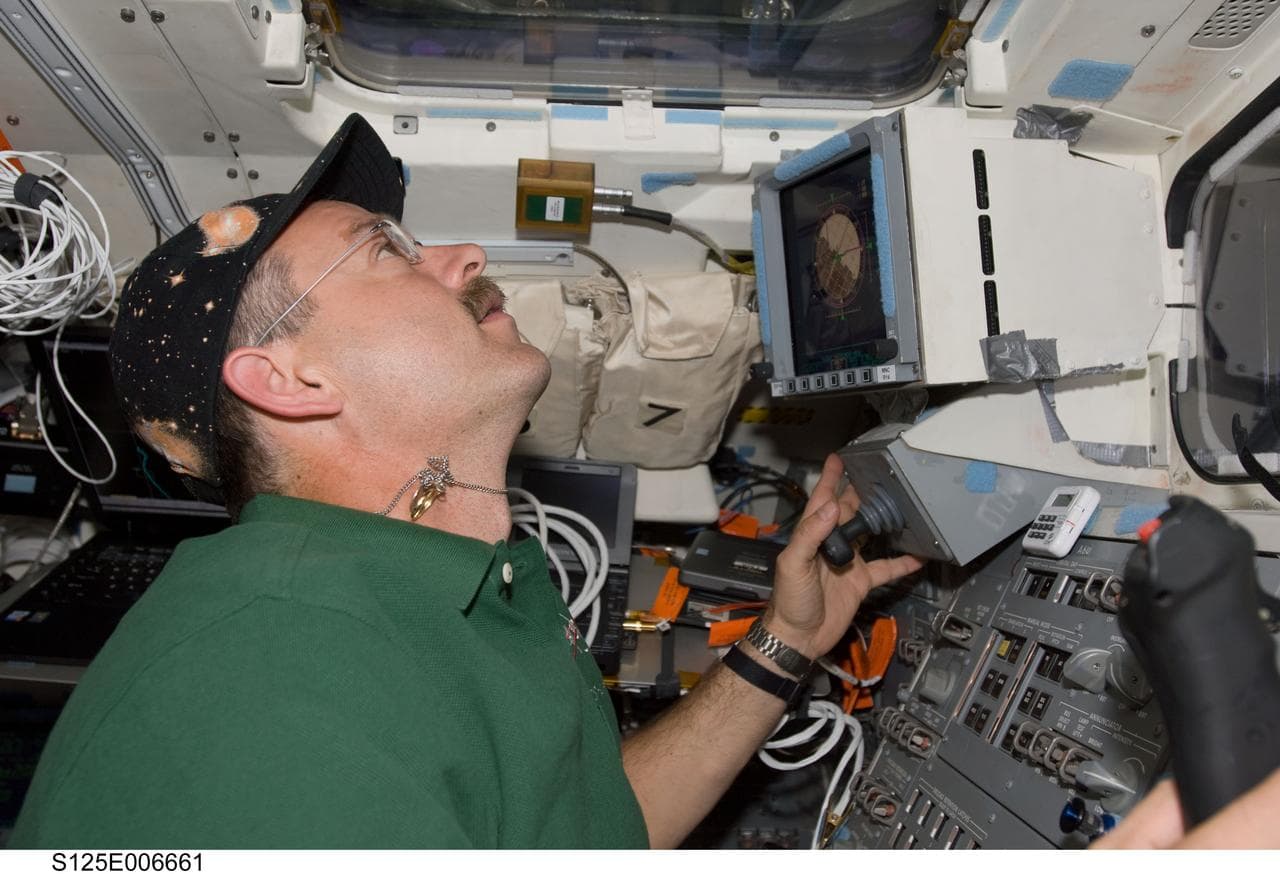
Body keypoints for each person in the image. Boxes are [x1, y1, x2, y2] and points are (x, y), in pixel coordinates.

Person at [9, 114, 923, 848]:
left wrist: (787, 641)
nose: (463, 259)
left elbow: (595, 829)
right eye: (385, 251)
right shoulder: (268, 675)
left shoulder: (450, 584)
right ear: (287, 380)